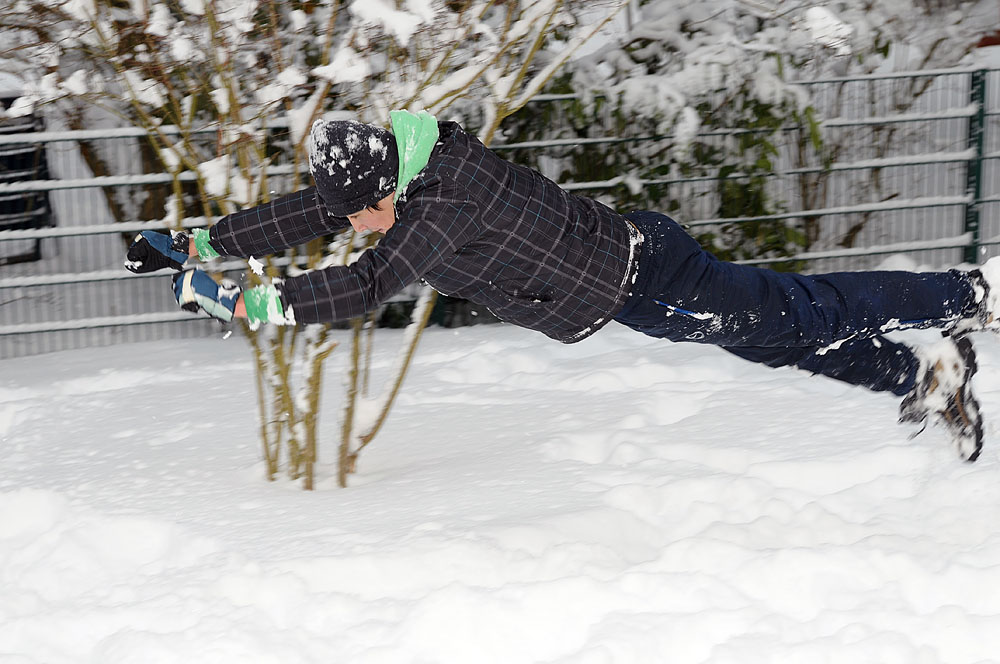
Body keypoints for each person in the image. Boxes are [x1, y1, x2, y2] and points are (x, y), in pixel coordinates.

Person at [125, 109, 999, 462]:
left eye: (358, 212)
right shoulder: (402, 174)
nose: (349, 221)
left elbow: (359, 289)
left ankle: (971, 295)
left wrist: (246, 302)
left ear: (388, 189)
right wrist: (194, 243)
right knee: (774, 341)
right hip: (624, 289)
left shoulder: (441, 207)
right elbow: (307, 218)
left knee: (802, 312)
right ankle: (923, 374)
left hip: (647, 271)